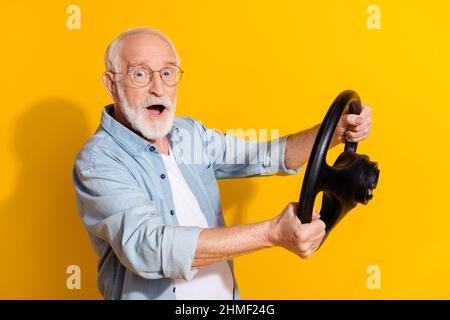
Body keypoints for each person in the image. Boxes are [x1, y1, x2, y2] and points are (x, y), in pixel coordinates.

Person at [72, 27, 372, 300]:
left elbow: (266, 155)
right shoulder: (98, 161)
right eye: (140, 74)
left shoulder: (187, 134)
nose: (158, 88)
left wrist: (335, 131)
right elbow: (150, 246)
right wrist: (271, 233)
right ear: (112, 84)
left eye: (167, 73)